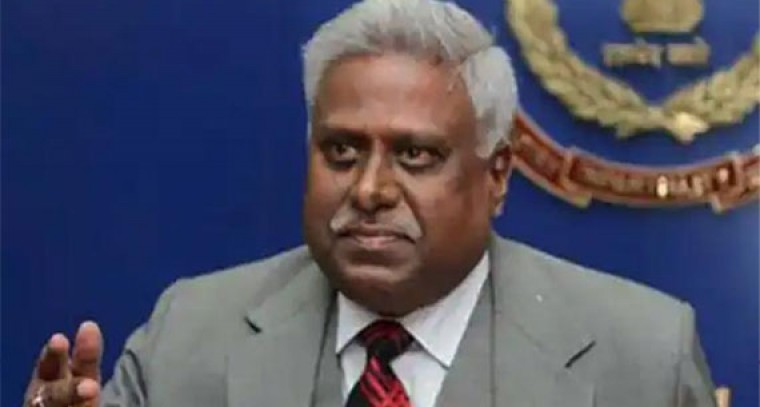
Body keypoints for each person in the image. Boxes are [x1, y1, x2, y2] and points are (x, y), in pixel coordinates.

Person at [22, 0, 717, 406]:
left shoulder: (643, 358)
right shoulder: (188, 336)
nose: (369, 190)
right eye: (342, 150)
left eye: (415, 155)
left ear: (498, 175)